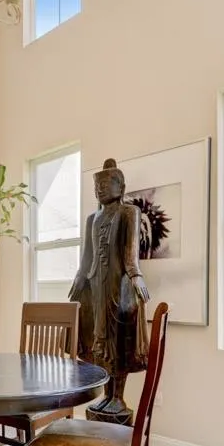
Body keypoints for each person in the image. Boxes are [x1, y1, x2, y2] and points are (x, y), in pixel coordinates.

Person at [69, 158, 151, 416]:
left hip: (119, 287)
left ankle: (118, 397)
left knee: (119, 341)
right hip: (95, 287)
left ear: (120, 186)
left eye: (106, 183)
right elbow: (87, 256)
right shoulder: (92, 218)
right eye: (97, 185)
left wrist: (136, 275)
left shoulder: (129, 213)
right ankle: (106, 395)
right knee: (99, 342)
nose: (101, 189)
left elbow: (130, 254)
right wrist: (79, 279)